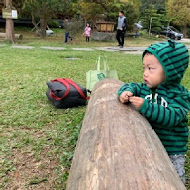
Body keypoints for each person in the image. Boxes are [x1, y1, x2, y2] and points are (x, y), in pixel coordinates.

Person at [118, 39, 190, 183]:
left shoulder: (180, 95)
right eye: (144, 68)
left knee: (173, 177)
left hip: (171, 149)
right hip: (149, 142)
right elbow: (132, 86)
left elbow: (173, 117)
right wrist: (125, 91)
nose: (145, 73)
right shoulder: (146, 88)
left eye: (151, 69)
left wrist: (147, 107)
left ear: (170, 71)